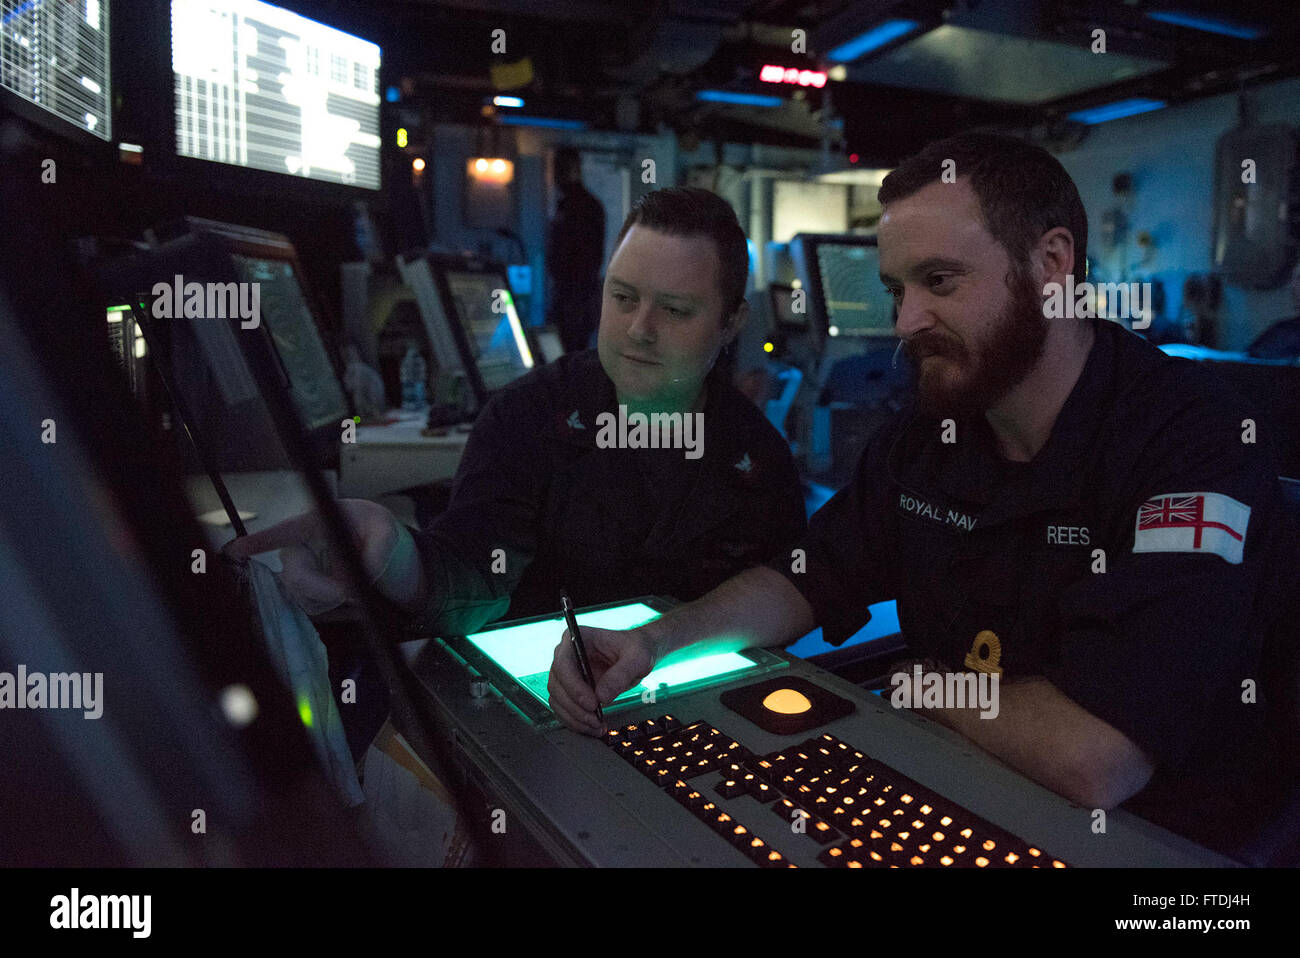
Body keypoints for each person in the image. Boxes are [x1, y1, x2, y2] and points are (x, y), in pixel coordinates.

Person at [548, 133, 1295, 857]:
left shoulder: (1192, 446)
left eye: (939, 282)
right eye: (896, 291)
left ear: (1052, 265)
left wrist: (919, 685)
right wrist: (658, 640)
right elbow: (804, 578)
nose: (905, 323)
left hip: (1165, 848)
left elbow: (1095, 758)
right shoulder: (933, 438)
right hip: (974, 788)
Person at [225, 186, 806, 641]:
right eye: (623, 297)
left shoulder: (760, 464)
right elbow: (476, 567)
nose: (638, 330)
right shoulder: (529, 415)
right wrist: (393, 552)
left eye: (675, 310)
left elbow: (777, 611)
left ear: (732, 323)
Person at [546, 146, 606, 353]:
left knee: (570, 353)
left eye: (558, 169)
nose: (555, 175)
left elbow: (580, 258)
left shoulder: (577, 207)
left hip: (574, 297)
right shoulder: (582, 204)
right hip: (578, 296)